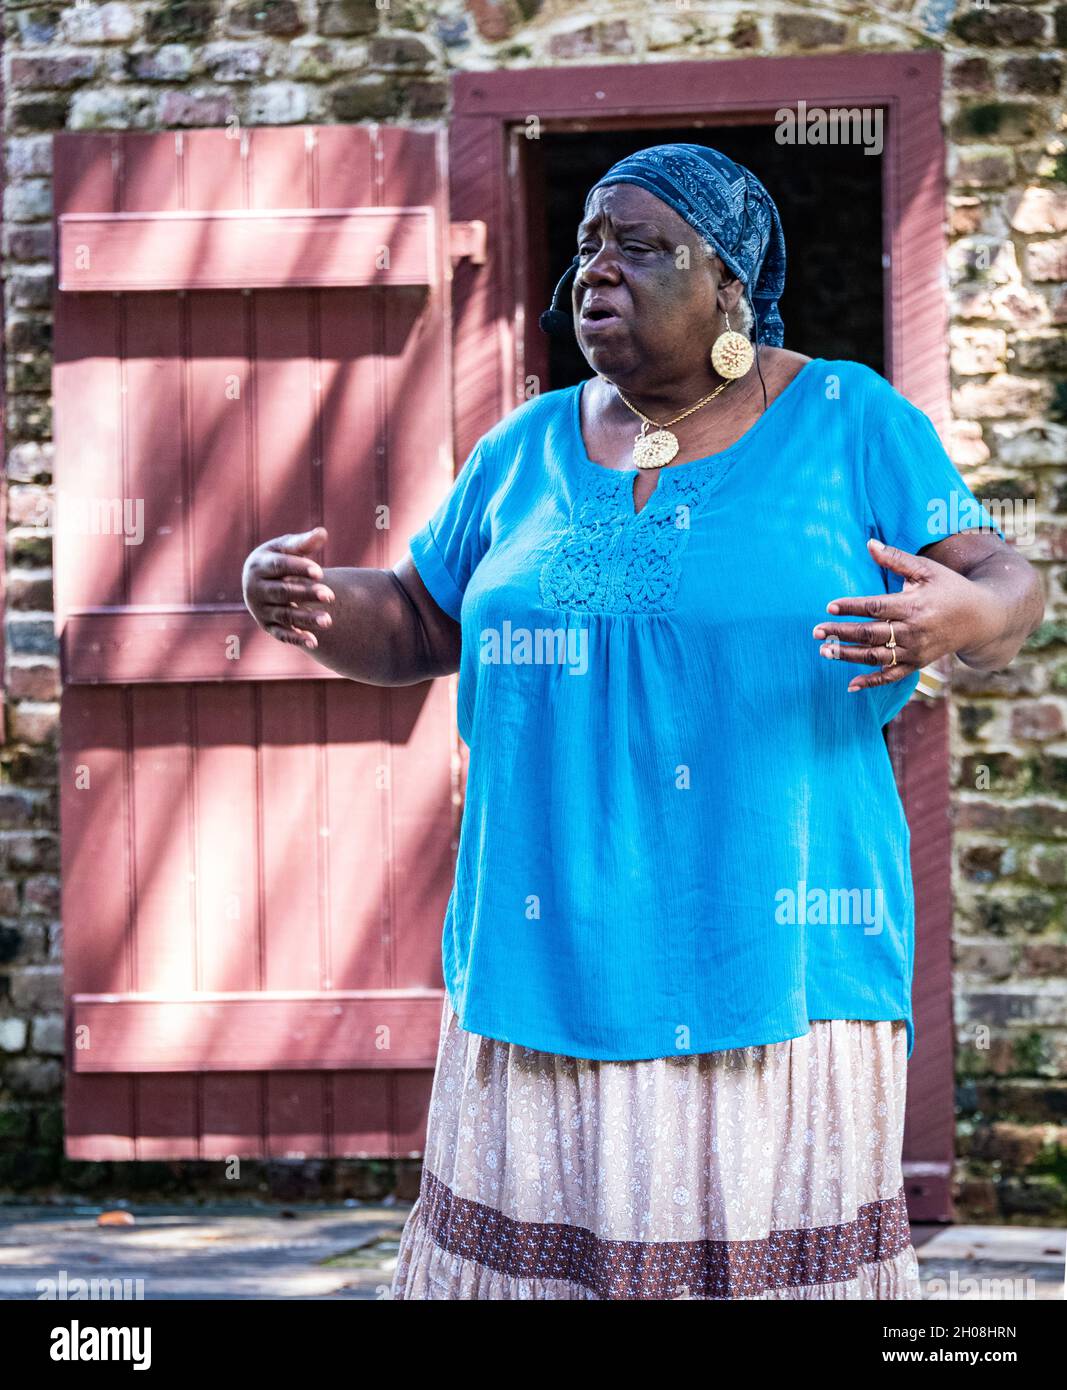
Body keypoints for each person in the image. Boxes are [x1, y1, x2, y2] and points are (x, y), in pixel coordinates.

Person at [242, 143, 1043, 1300]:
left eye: (637, 245)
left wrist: (960, 610)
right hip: (543, 954)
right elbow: (420, 619)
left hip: (772, 960)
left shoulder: (845, 417)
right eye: (583, 248)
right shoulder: (521, 448)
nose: (594, 272)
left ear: (729, 284)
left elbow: (1003, 583)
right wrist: (314, 608)